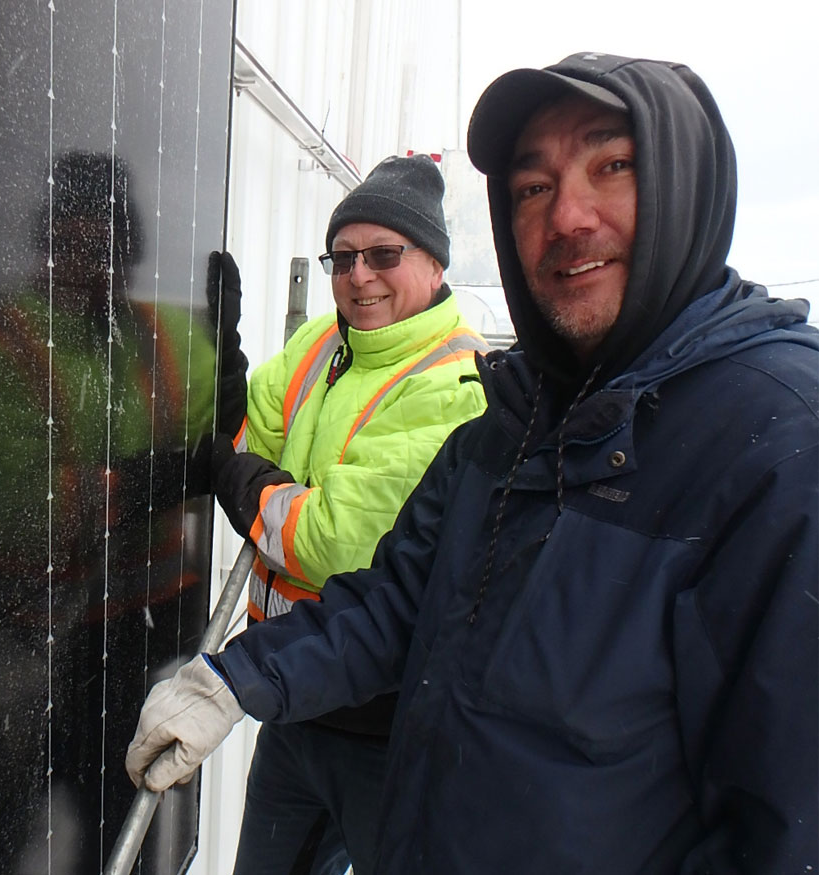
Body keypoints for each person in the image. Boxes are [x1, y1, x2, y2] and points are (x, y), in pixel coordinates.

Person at [127, 52, 819, 874]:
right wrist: (234, 680)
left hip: (372, 738)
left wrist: (245, 483)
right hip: (343, 739)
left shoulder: (780, 442)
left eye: (614, 166)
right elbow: (396, 601)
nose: (567, 217)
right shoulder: (516, 416)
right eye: (532, 187)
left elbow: (786, 827)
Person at [203, 153, 489, 874]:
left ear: (433, 264)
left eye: (384, 254)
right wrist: (223, 370)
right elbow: (249, 444)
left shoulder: (455, 383)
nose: (359, 275)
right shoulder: (324, 343)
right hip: (295, 700)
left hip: (383, 724)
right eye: (344, 257)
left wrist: (241, 484)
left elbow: (334, 541)